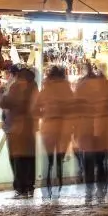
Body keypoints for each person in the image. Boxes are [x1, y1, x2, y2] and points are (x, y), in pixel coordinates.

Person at [75, 66, 108, 200]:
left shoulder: (81, 87)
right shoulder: (106, 88)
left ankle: (89, 190)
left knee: (88, 163)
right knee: (101, 162)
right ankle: (101, 190)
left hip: (87, 130)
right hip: (102, 130)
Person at [0, 67, 38, 198]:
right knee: (29, 158)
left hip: (16, 128)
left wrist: (0, 93)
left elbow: (6, 103)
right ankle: (30, 186)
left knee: (18, 159)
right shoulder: (34, 85)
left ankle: (21, 188)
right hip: (30, 127)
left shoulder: (17, 86)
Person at [35, 65, 74, 198]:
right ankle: (59, 184)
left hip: (49, 127)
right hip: (65, 128)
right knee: (60, 159)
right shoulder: (67, 89)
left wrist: (44, 114)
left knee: (49, 159)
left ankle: (48, 185)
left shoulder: (46, 89)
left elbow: (35, 108)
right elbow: (73, 108)